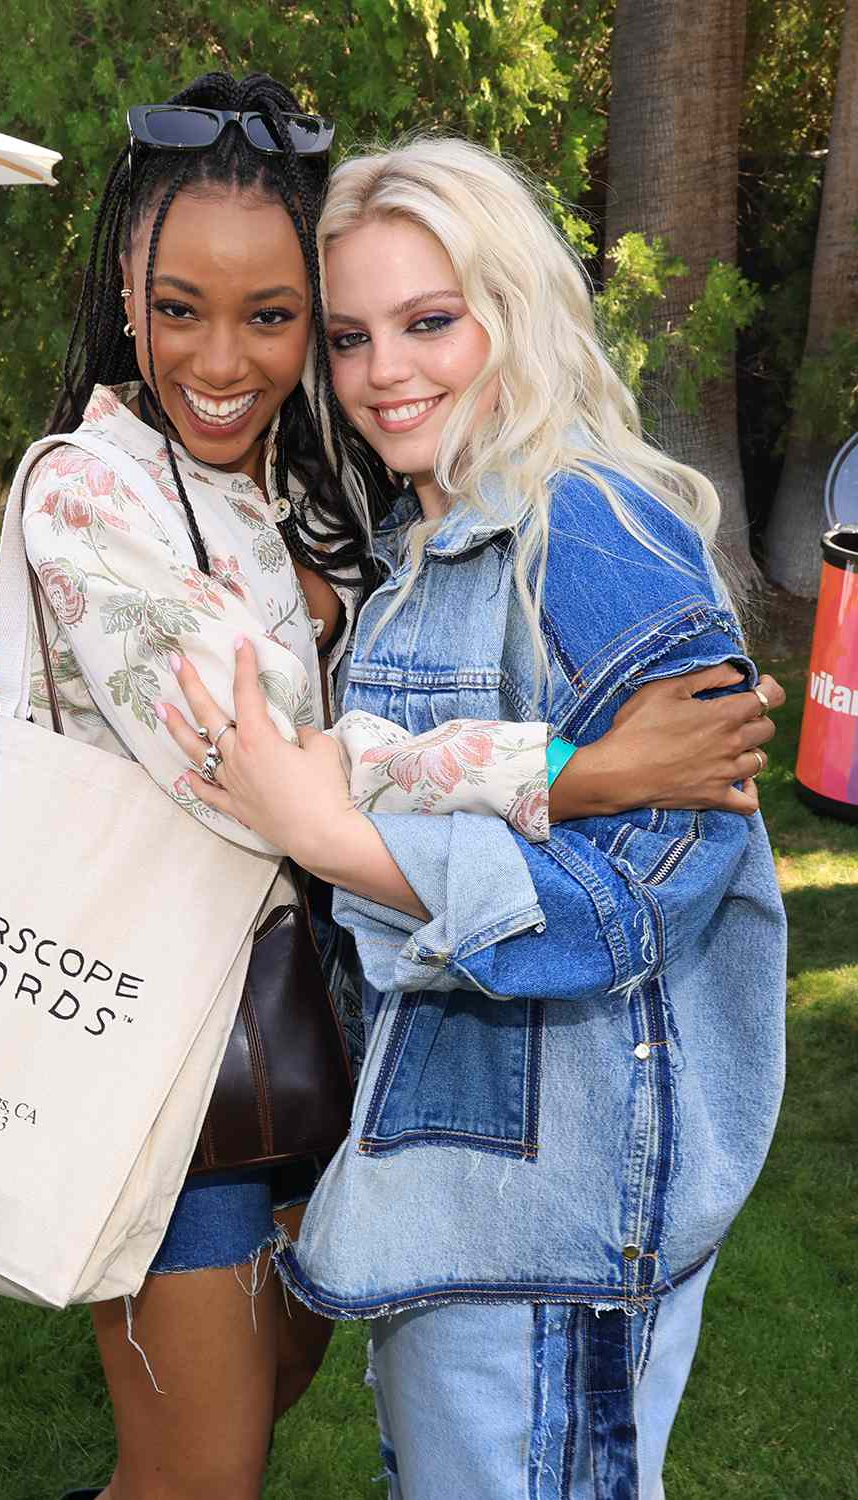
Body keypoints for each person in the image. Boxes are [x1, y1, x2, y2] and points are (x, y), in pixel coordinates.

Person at [160, 136, 788, 1499]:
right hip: (449, 1201)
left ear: (516, 309)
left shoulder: (593, 528)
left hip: (552, 1235)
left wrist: (339, 842)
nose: (388, 373)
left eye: (430, 322)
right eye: (351, 336)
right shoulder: (416, 553)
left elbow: (651, 883)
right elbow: (447, 770)